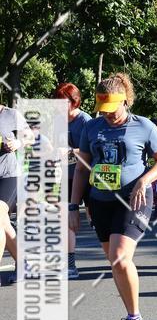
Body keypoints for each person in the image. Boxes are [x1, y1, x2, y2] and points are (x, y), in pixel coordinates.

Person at [69, 73, 157, 320]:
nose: (109, 115)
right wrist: (73, 206)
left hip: (134, 199)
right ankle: (130, 314)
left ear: (125, 100)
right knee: (115, 263)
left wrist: (144, 180)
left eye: (113, 109)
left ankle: (136, 319)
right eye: (104, 110)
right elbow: (81, 168)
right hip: (100, 201)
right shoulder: (92, 128)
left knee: (120, 256)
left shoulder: (144, 126)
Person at [52, 83, 92, 279]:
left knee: (100, 222)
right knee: (65, 219)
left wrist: (69, 151)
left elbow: (93, 152)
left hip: (89, 176)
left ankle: (118, 259)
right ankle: (70, 265)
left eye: (63, 102)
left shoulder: (86, 121)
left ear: (74, 102)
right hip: (67, 177)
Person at [0, 98, 34, 211]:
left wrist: (17, 143)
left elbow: (31, 137)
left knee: (1, 213)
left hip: (7, 174)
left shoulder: (11, 114)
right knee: (4, 220)